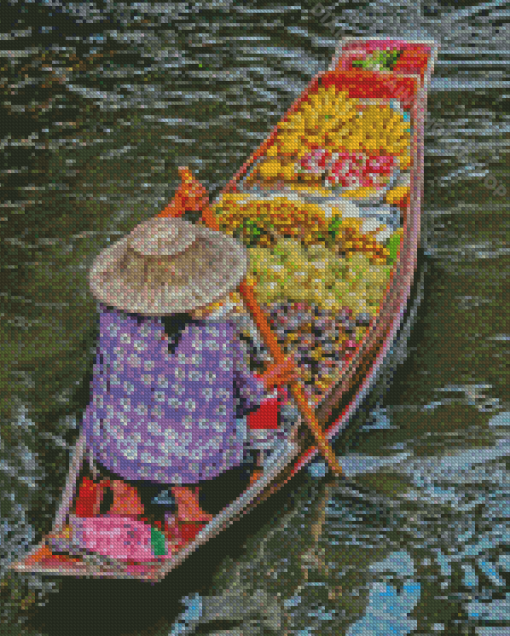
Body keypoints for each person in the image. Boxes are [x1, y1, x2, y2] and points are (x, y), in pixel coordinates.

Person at [83, 216, 297, 523]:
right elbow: (244, 399)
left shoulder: (112, 322)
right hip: (193, 458)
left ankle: (125, 496)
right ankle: (187, 501)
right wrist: (273, 378)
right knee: (207, 422)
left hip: (118, 450)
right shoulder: (218, 336)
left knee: (124, 412)